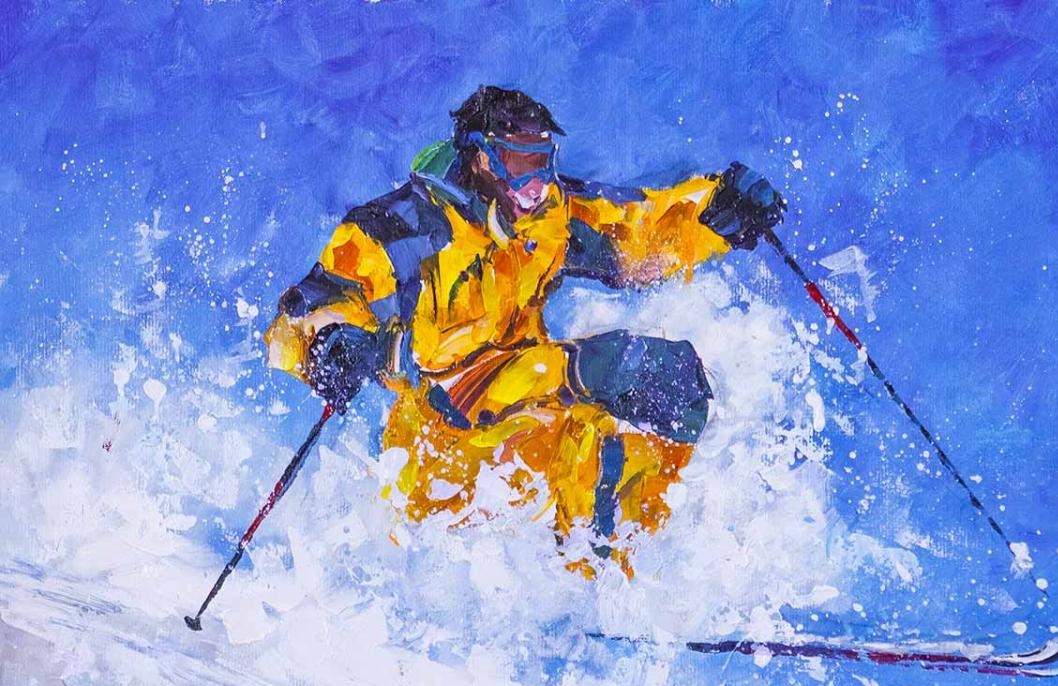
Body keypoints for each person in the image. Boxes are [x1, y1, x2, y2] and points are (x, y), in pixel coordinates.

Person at [265, 86, 784, 579]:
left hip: (522, 409)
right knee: (607, 367)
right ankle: (584, 581)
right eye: (518, 163)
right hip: (441, 450)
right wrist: (330, 348)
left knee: (654, 395)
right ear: (480, 158)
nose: (535, 183)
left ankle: (611, 584)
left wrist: (714, 211)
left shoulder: (546, 217)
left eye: (542, 161)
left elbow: (634, 230)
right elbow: (302, 317)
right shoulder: (405, 228)